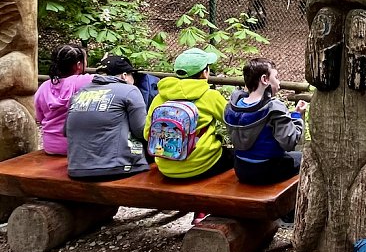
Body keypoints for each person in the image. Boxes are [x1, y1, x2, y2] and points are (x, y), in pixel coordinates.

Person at [144, 47, 231, 180]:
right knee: (234, 157)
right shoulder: (210, 95)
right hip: (200, 165)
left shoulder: (160, 97)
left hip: (166, 167)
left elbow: (147, 135)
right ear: (204, 73)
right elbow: (234, 122)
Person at [224, 58, 307, 185]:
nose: (279, 82)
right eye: (276, 77)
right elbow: (289, 142)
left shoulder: (234, 105)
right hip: (266, 171)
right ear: (264, 79)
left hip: (241, 168)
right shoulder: (273, 108)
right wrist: (297, 116)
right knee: (304, 158)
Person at [65, 55, 149, 179]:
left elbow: (66, 131)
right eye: (133, 75)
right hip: (117, 168)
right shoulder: (130, 90)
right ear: (124, 76)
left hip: (76, 169)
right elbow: (142, 131)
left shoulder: (80, 93)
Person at [34, 44, 95, 155]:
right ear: (78, 65)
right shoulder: (85, 81)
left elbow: (39, 117)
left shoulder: (43, 87)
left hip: (50, 146)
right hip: (76, 146)